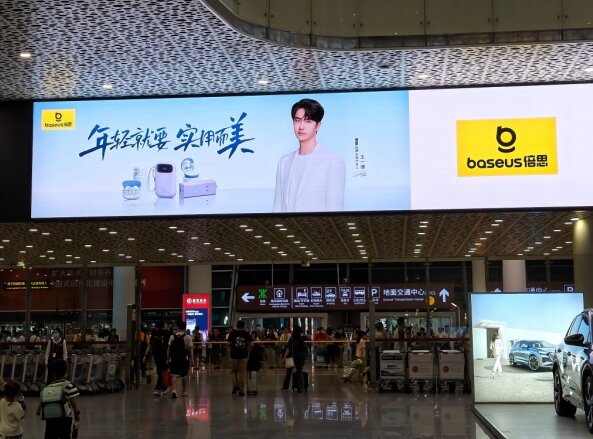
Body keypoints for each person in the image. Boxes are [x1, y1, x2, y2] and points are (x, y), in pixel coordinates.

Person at [273, 98, 345, 213]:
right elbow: (277, 208)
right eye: (297, 120)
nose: (301, 126)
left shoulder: (332, 161)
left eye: (308, 121)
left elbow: (334, 209)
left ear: (318, 125)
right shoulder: (284, 162)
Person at [37, 359, 80, 439]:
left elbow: (41, 405)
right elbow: (73, 401)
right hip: (65, 419)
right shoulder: (69, 385)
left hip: (51, 419)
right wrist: (77, 414)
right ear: (66, 372)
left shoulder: (47, 387)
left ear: (53, 373)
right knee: (65, 436)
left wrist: (38, 411)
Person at [167, 321, 194, 398]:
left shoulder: (172, 337)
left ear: (177, 327)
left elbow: (168, 349)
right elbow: (190, 349)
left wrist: (168, 358)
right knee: (184, 375)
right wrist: (192, 360)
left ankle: (174, 390)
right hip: (184, 358)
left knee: (174, 374)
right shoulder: (188, 337)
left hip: (174, 358)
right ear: (185, 327)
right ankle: (184, 391)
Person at [227, 321, 253, 396]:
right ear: (244, 326)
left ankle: (235, 386)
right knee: (241, 373)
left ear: (236, 325)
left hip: (234, 355)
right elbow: (251, 344)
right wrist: (247, 348)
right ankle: (241, 390)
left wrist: (232, 347)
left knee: (233, 371)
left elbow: (228, 343)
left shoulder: (232, 333)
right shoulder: (246, 333)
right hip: (243, 356)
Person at [146, 320, 171, 397]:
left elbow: (150, 344)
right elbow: (170, 345)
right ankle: (158, 388)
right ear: (163, 325)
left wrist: (145, 355)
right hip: (165, 354)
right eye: (165, 324)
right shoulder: (168, 333)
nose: (166, 325)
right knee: (164, 370)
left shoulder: (154, 332)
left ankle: (164, 387)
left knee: (160, 370)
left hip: (156, 354)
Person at [283, 325, 307, 393]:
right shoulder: (301, 339)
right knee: (299, 372)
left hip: (291, 357)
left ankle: (285, 386)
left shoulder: (292, 339)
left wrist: (284, 357)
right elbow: (304, 349)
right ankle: (300, 387)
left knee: (288, 373)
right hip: (299, 358)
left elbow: (288, 349)